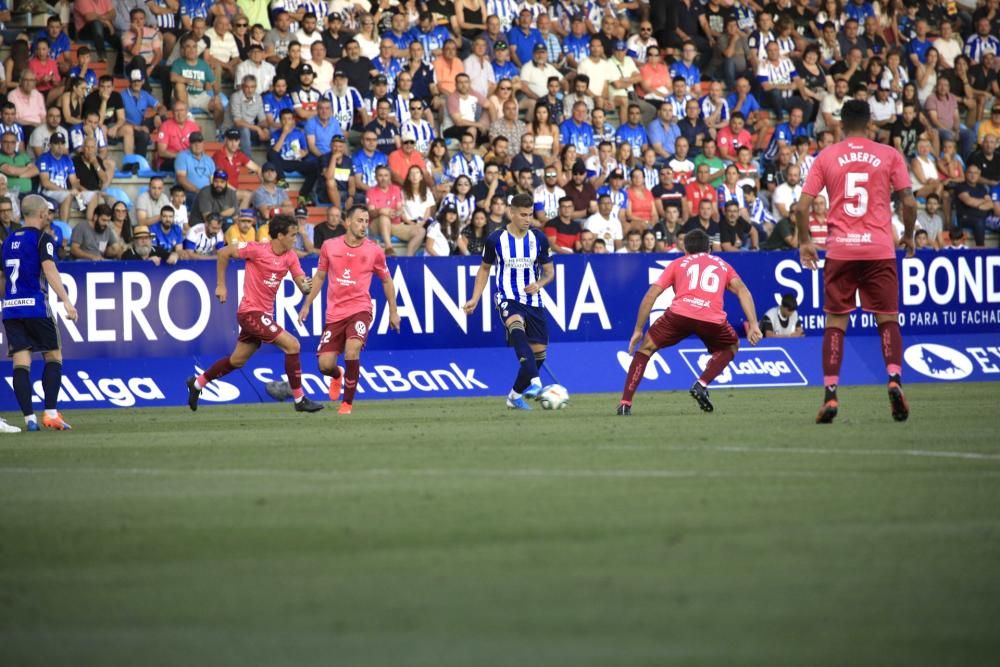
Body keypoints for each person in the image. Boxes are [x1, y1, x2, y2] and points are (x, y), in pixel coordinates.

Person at [794, 99, 917, 425]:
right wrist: (908, 235)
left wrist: (806, 241)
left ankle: (831, 394)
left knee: (836, 323)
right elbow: (909, 200)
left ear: (842, 124)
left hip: (841, 251)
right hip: (879, 248)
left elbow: (802, 207)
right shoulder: (890, 154)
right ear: (870, 122)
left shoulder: (827, 156)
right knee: (887, 319)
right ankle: (893, 379)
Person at [618, 228, 763, 416]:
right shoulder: (723, 265)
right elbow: (743, 290)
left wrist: (638, 329)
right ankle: (701, 384)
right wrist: (753, 324)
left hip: (679, 316)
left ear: (685, 250)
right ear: (709, 248)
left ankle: (625, 403)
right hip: (712, 318)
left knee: (645, 349)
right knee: (731, 346)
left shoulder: (678, 263)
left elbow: (651, 295)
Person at [186, 214, 323, 413]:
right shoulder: (256, 249)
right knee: (293, 345)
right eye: (292, 235)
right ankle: (299, 399)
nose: (296, 239)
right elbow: (223, 253)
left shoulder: (290, 256)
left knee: (237, 360)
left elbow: (300, 280)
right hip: (251, 313)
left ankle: (197, 383)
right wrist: (221, 286)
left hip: (263, 316)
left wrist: (306, 285)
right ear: (279, 236)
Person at [296, 205, 401, 414]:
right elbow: (319, 277)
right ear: (348, 222)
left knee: (352, 350)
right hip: (334, 313)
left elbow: (387, 281)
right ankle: (337, 375)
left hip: (360, 309)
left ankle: (347, 403)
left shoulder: (374, 250)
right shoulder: (329, 246)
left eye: (366, 221)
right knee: (325, 365)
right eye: (359, 220)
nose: (364, 225)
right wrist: (307, 304)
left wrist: (393, 310)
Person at [463, 192, 553, 410]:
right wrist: (475, 297)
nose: (527, 219)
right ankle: (536, 383)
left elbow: (550, 272)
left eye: (530, 215)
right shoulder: (495, 239)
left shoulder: (538, 238)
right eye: (523, 214)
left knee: (539, 354)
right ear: (511, 213)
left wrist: (539, 284)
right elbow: (484, 269)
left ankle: (513, 396)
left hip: (533, 300)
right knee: (516, 327)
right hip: (507, 296)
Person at [1, 194, 79, 432]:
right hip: (36, 307)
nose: (50, 215)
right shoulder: (43, 239)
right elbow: (49, 268)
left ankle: (29, 419)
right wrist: (66, 301)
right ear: (41, 212)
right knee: (53, 356)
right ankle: (51, 413)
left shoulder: (7, 241)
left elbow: (3, 278)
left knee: (21, 362)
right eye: (47, 211)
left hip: (12, 309)